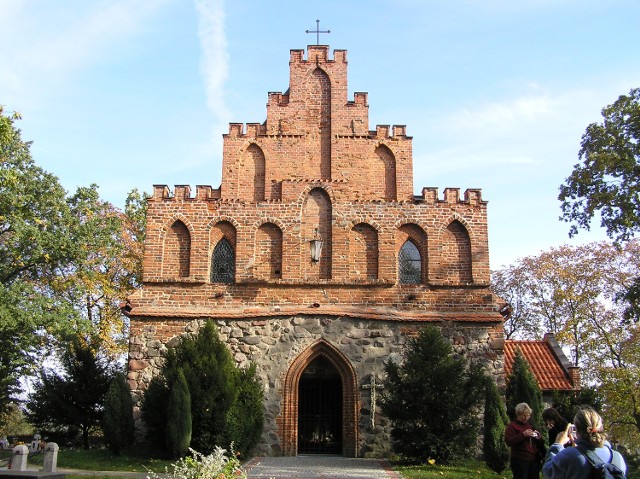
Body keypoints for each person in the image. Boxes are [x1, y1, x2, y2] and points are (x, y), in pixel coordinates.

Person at [542, 408, 627, 479]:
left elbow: (548, 472)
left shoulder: (570, 455)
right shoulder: (618, 457)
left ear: (577, 430)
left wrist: (558, 444)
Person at [505, 402, 546, 479]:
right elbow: (509, 441)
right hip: (520, 459)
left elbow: (537, 443)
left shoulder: (529, 425)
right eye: (524, 416)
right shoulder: (512, 426)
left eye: (528, 415)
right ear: (518, 415)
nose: (526, 418)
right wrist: (523, 435)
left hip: (533, 459)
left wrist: (538, 437)